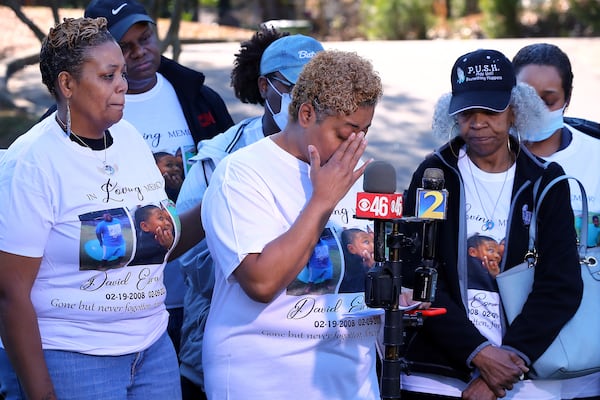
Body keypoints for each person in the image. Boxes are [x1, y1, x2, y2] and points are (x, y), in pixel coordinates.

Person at [0, 17, 193, 399]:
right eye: (108, 75)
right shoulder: (32, 163)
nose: (122, 84)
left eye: (121, 72)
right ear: (67, 84)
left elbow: (155, 237)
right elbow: (9, 292)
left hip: (152, 349)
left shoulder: (131, 139)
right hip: (73, 355)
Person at [400, 49, 583, 400]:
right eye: (467, 112)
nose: (478, 122)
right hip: (436, 375)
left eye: (491, 111)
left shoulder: (546, 182)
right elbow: (417, 273)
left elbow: (560, 286)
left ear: (515, 110)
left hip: (523, 377)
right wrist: (479, 353)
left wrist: (504, 364)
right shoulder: (435, 175)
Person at [200, 49, 384, 399]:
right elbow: (261, 281)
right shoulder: (241, 174)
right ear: (306, 113)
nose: (356, 146)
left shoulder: (356, 176)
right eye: (346, 134)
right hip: (263, 381)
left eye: (365, 132)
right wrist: (322, 201)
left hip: (351, 383)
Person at [175, 29, 324, 399]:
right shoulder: (218, 159)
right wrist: (264, 262)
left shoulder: (340, 155)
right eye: (294, 86)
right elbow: (193, 264)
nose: (307, 101)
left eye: (319, 90)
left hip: (318, 360)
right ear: (265, 86)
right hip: (237, 357)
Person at [82, 0, 235, 356]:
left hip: (201, 290)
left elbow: (235, 170)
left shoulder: (198, 98)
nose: (140, 52)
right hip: (127, 300)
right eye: (125, 46)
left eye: (145, 38)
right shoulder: (80, 114)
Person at [512, 42, 600, 400]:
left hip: (586, 363)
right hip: (506, 363)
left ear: (567, 99)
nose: (535, 109)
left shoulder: (594, 155)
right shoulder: (481, 158)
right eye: (525, 97)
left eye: (547, 99)